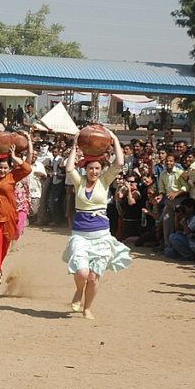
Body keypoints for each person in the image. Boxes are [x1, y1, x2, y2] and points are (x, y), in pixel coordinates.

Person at [62, 128, 131, 319]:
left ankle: (87, 308)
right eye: (91, 168)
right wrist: (75, 145)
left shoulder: (105, 181)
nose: (94, 171)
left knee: (93, 277)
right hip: (80, 235)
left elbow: (119, 162)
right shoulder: (79, 181)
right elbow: (69, 169)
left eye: (97, 169)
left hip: (100, 235)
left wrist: (115, 139)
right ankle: (78, 291)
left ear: (101, 170)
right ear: (86, 169)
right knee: (82, 273)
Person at [0, 133, 34, 286]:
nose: (2, 171)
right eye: (0, 168)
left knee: (5, 245)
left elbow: (27, 168)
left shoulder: (13, 177)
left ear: (10, 168)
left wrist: (14, 156)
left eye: (5, 168)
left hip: (10, 215)